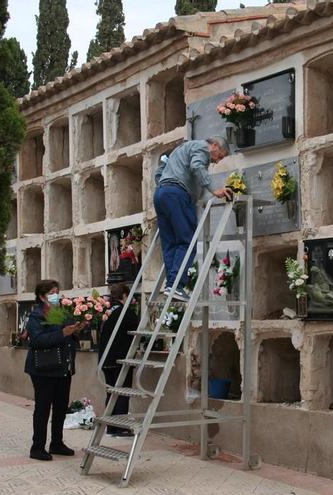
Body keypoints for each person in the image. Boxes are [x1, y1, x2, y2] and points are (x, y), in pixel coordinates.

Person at [153, 137, 232, 301]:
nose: (217, 161)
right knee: (187, 241)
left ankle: (171, 285)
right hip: (177, 195)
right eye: (221, 156)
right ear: (215, 146)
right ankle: (176, 285)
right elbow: (197, 166)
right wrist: (213, 190)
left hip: (161, 194)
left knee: (170, 244)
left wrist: (166, 189)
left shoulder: (182, 150)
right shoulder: (202, 148)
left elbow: (159, 173)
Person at [24, 279, 87, 461]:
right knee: (43, 408)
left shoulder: (58, 312)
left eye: (57, 291)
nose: (56, 295)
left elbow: (66, 335)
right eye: (52, 292)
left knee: (60, 407)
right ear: (42, 296)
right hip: (43, 370)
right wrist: (63, 333)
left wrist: (76, 330)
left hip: (62, 368)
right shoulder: (37, 315)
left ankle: (56, 443)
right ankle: (37, 447)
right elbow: (37, 340)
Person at [98, 283, 139, 437]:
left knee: (111, 392)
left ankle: (111, 426)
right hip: (120, 359)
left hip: (106, 359)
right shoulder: (124, 312)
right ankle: (121, 426)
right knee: (122, 392)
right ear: (124, 296)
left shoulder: (107, 311)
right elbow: (138, 327)